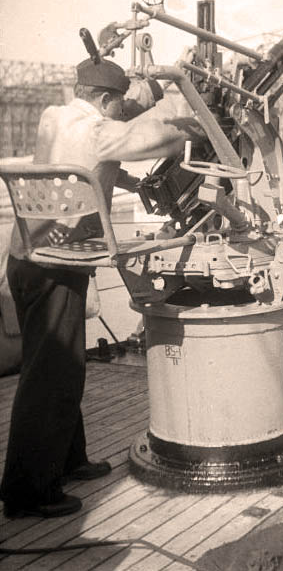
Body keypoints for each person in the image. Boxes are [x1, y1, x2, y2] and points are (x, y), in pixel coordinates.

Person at [1, 56, 204, 518]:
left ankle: (67, 460)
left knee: (59, 366)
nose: (119, 112)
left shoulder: (55, 116)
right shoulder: (98, 133)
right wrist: (191, 118)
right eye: (117, 105)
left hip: (24, 259)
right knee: (51, 378)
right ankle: (28, 492)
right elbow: (149, 137)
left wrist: (149, 89)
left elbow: (120, 121)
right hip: (56, 266)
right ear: (107, 101)